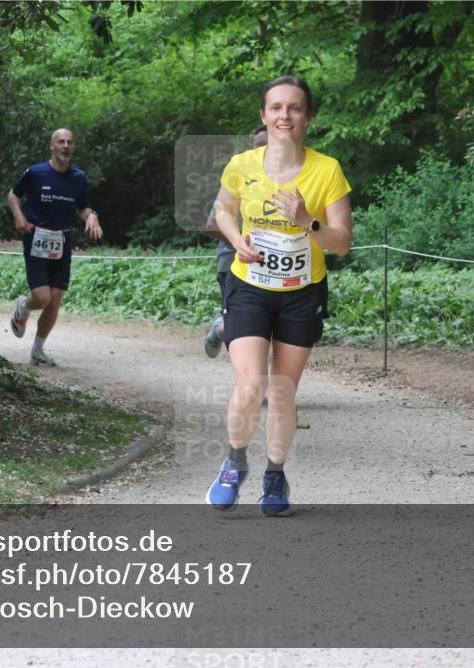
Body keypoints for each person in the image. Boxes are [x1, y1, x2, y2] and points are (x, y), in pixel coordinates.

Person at [205, 75, 352, 517]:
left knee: (283, 391)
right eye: (276, 108)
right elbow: (222, 211)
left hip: (301, 293)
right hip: (249, 285)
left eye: (294, 108)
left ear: (308, 117)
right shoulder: (241, 164)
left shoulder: (327, 170)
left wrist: (308, 220)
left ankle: (274, 474)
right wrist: (237, 240)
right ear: (263, 115)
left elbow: (342, 242)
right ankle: (234, 463)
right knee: (251, 384)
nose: (284, 116)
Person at [7, 128, 102, 365]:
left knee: (56, 298)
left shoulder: (78, 177)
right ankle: (24, 306)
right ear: (52, 145)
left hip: (62, 240)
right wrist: (19, 216)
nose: (65, 146)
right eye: (61, 142)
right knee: (42, 297)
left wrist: (91, 217)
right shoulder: (36, 172)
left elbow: (83, 208)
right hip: (36, 238)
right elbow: (13, 195)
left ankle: (38, 350)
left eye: (70, 142)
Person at [203, 124, 268, 358]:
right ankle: (223, 328)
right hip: (232, 264)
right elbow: (212, 223)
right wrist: (241, 242)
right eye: (261, 144)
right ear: (251, 147)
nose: (267, 149)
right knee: (246, 328)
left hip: (271, 268)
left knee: (262, 326)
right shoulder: (240, 175)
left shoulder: (285, 179)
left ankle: (222, 326)